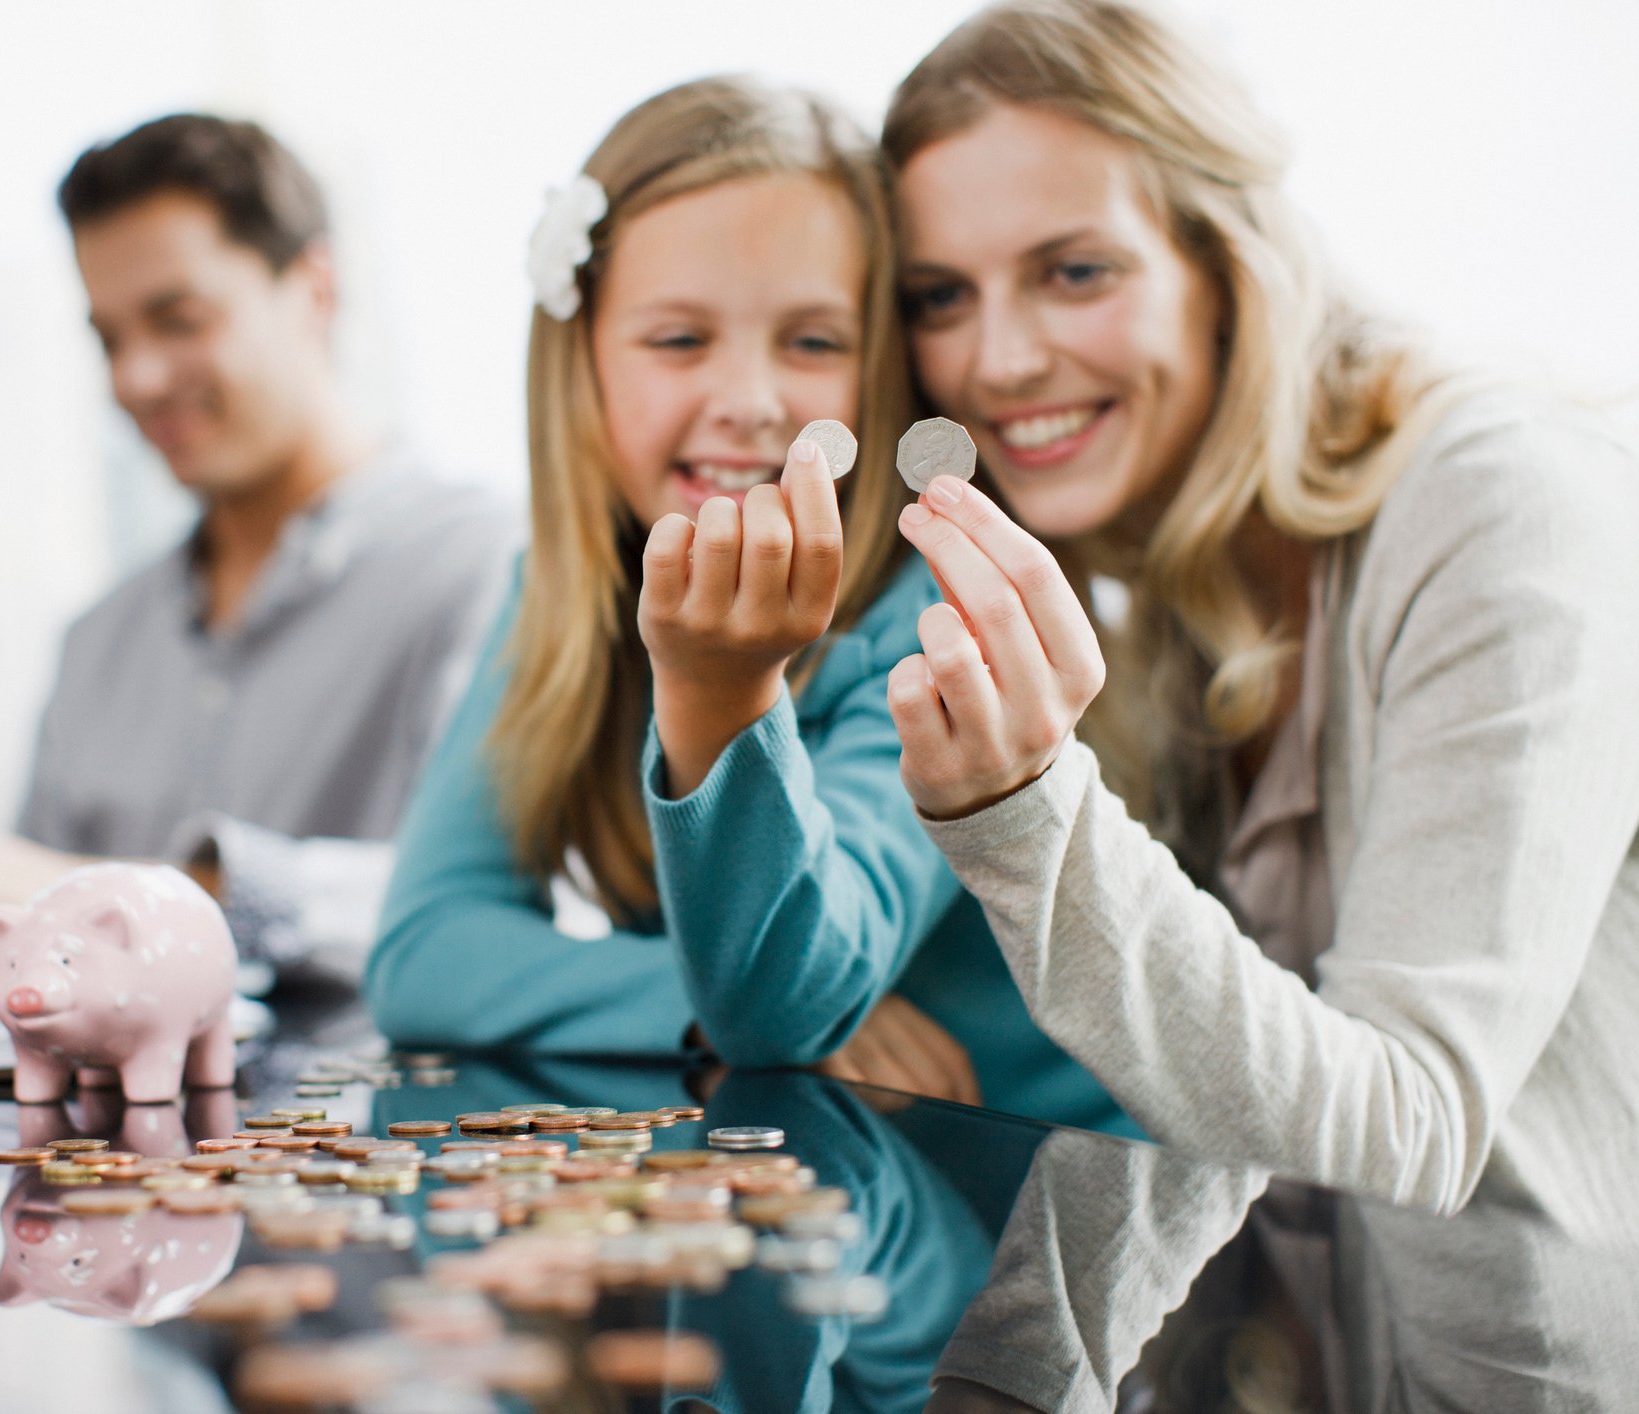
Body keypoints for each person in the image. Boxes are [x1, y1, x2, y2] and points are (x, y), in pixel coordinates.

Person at [879, 0, 1639, 1239]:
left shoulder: (1509, 504)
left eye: (1075, 271)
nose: (998, 361)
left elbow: (1409, 1134)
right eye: (941, 296)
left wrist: (1024, 813)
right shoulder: (1175, 576)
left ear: (1225, 264)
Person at [367, 76, 1134, 1136]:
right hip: (827, 1177)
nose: (750, 400)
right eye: (679, 340)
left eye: (813, 343)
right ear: (579, 364)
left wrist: (718, 691)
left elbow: (787, 1005)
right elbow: (422, 952)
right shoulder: (555, 595)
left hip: (1041, 1203)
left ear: (880, 376)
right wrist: (698, 1008)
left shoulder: (940, 623)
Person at [0, 114, 516, 988]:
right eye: (107, 339)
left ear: (314, 292)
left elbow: (485, 913)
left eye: (177, 320)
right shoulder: (96, 641)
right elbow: (25, 947)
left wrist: (119, 899)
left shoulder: (489, 568)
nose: (133, 379)